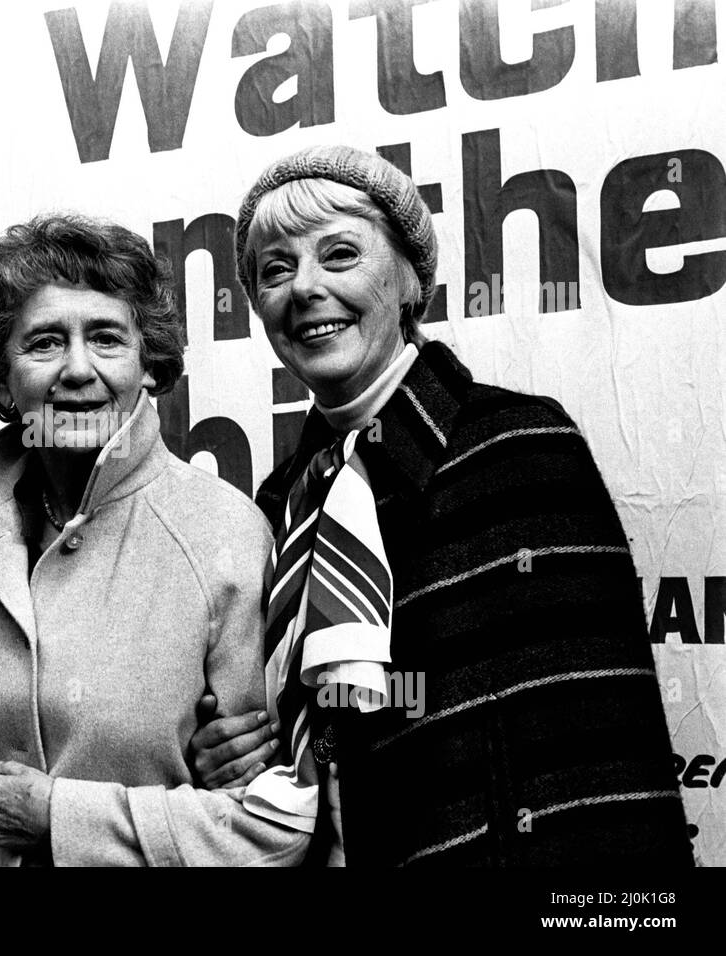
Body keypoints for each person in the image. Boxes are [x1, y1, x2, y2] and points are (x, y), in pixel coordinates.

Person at [189, 144, 692, 866]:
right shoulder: (279, 505)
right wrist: (237, 757)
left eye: (338, 256)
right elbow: (306, 742)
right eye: (275, 269)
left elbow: (602, 736)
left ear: (407, 282)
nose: (303, 288)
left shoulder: (516, 444)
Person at [0, 214, 312, 866]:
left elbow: (275, 827)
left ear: (147, 364)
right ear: (0, 380)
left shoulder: (224, 535)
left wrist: (67, 820)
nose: (77, 369)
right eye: (42, 343)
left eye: (105, 338)